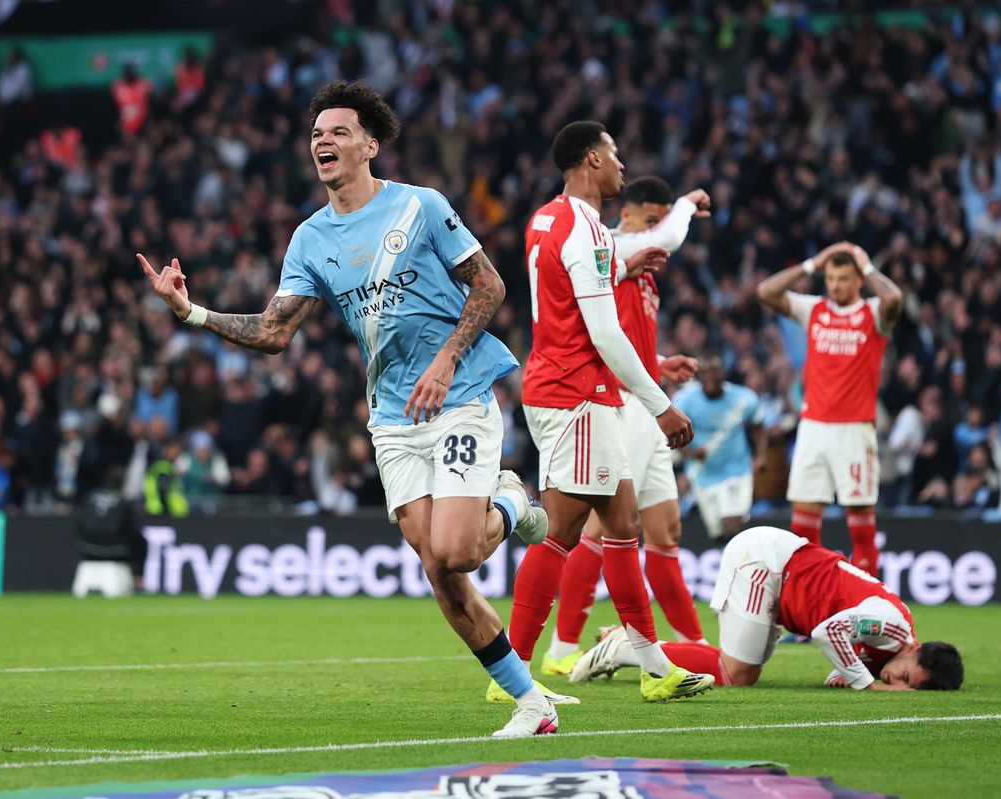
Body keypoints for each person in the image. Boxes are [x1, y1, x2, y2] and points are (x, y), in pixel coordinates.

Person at [139, 80, 555, 738]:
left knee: (457, 550)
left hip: (457, 394)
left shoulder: (421, 207)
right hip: (391, 417)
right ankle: (532, 701)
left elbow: (491, 284)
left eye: (336, 132)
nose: (322, 142)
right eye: (315, 135)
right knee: (436, 565)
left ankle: (510, 500)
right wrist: (191, 313)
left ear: (370, 143)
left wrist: (447, 357)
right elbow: (276, 333)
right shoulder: (309, 239)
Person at [507, 121, 714, 705]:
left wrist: (622, 264)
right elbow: (604, 330)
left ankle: (655, 668)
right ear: (593, 160)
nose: (623, 165)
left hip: (568, 389)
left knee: (622, 529)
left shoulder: (548, 218)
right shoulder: (585, 229)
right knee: (560, 536)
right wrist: (662, 407)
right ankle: (514, 675)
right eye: (616, 155)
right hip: (576, 394)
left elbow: (570, 288)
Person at [543, 176, 711, 676]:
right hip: (623, 403)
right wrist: (683, 204)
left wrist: (658, 362)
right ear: (631, 215)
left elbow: (617, 335)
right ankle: (561, 650)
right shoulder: (609, 247)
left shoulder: (641, 270)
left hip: (646, 395)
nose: (658, 230)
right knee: (604, 523)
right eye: (652, 219)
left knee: (665, 530)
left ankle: (692, 643)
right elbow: (668, 238)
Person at [570, 526, 964, 692]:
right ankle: (625, 646)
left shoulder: (892, 647)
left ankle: (630, 644)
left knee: (740, 672)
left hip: (781, 577)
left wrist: (853, 674)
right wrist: (866, 682)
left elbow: (837, 665)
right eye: (904, 678)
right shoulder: (892, 628)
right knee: (735, 673)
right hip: (768, 565)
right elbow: (827, 633)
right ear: (914, 648)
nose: (894, 683)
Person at [757, 242, 903, 576]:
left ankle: (867, 604)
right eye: (832, 277)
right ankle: (811, 606)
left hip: (854, 429)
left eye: (844, 278)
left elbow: (894, 299)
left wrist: (867, 266)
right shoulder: (815, 310)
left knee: (861, 528)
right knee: (803, 529)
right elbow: (765, 292)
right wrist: (811, 265)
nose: (835, 285)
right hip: (813, 427)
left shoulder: (873, 314)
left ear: (859, 281)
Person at [672, 353, 767, 541]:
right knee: (718, 534)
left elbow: (759, 425)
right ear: (699, 376)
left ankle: (739, 568)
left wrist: (761, 456)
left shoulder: (743, 398)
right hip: (703, 474)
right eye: (705, 372)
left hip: (736, 471)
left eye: (715, 371)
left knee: (732, 525)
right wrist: (690, 453)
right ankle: (729, 565)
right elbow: (673, 433)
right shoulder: (685, 400)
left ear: (723, 373)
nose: (711, 377)